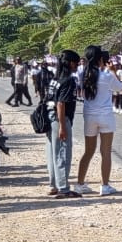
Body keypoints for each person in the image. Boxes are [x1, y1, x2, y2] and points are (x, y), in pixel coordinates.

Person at [74, 47, 122, 196]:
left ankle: (80, 184)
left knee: (88, 151)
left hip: (89, 115)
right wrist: (113, 71)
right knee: (106, 151)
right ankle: (104, 185)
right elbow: (121, 88)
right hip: (105, 116)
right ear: (100, 59)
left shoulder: (82, 74)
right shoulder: (107, 75)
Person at [44, 50, 81, 199]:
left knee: (52, 154)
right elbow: (61, 103)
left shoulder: (54, 79)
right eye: (76, 63)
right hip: (60, 119)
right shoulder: (68, 80)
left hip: (49, 118)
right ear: (70, 63)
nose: (77, 66)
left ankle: (53, 185)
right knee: (62, 154)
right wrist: (62, 126)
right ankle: (64, 189)